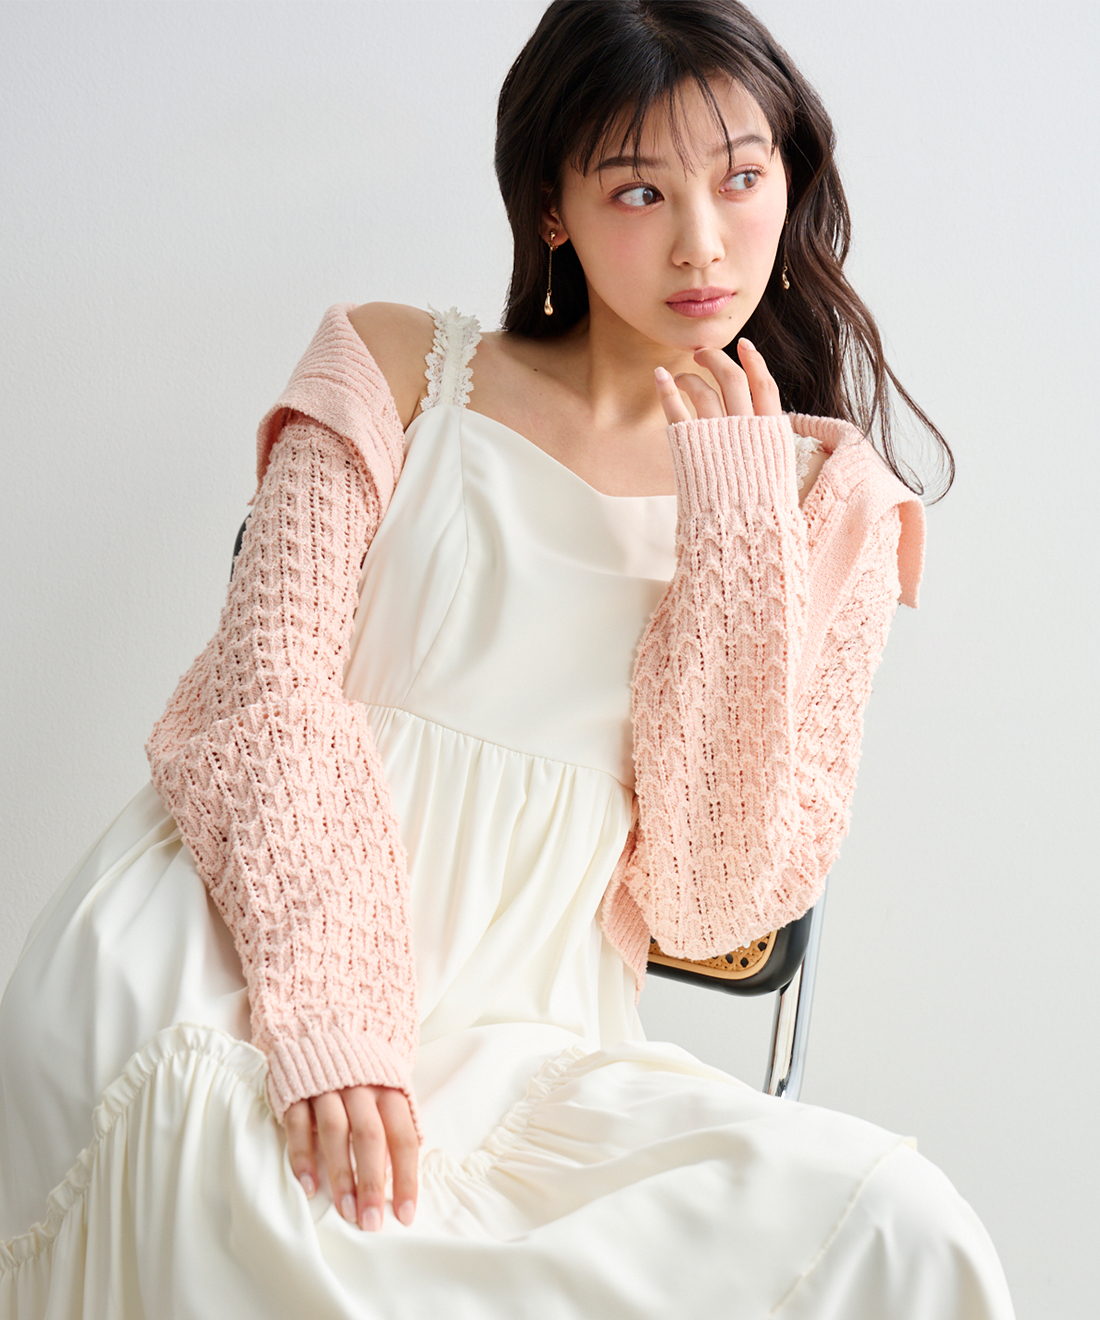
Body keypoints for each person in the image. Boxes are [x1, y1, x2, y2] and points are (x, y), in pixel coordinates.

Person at [0, 1, 1014, 1315]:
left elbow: (713, 900)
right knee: (235, 1173)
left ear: (789, 179)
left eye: (740, 177)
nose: (702, 242)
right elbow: (264, 702)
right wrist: (337, 1019)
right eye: (639, 189)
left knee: (904, 1230)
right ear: (553, 206)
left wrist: (737, 528)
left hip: (530, 1039)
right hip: (234, 955)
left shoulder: (830, 507)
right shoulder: (396, 368)